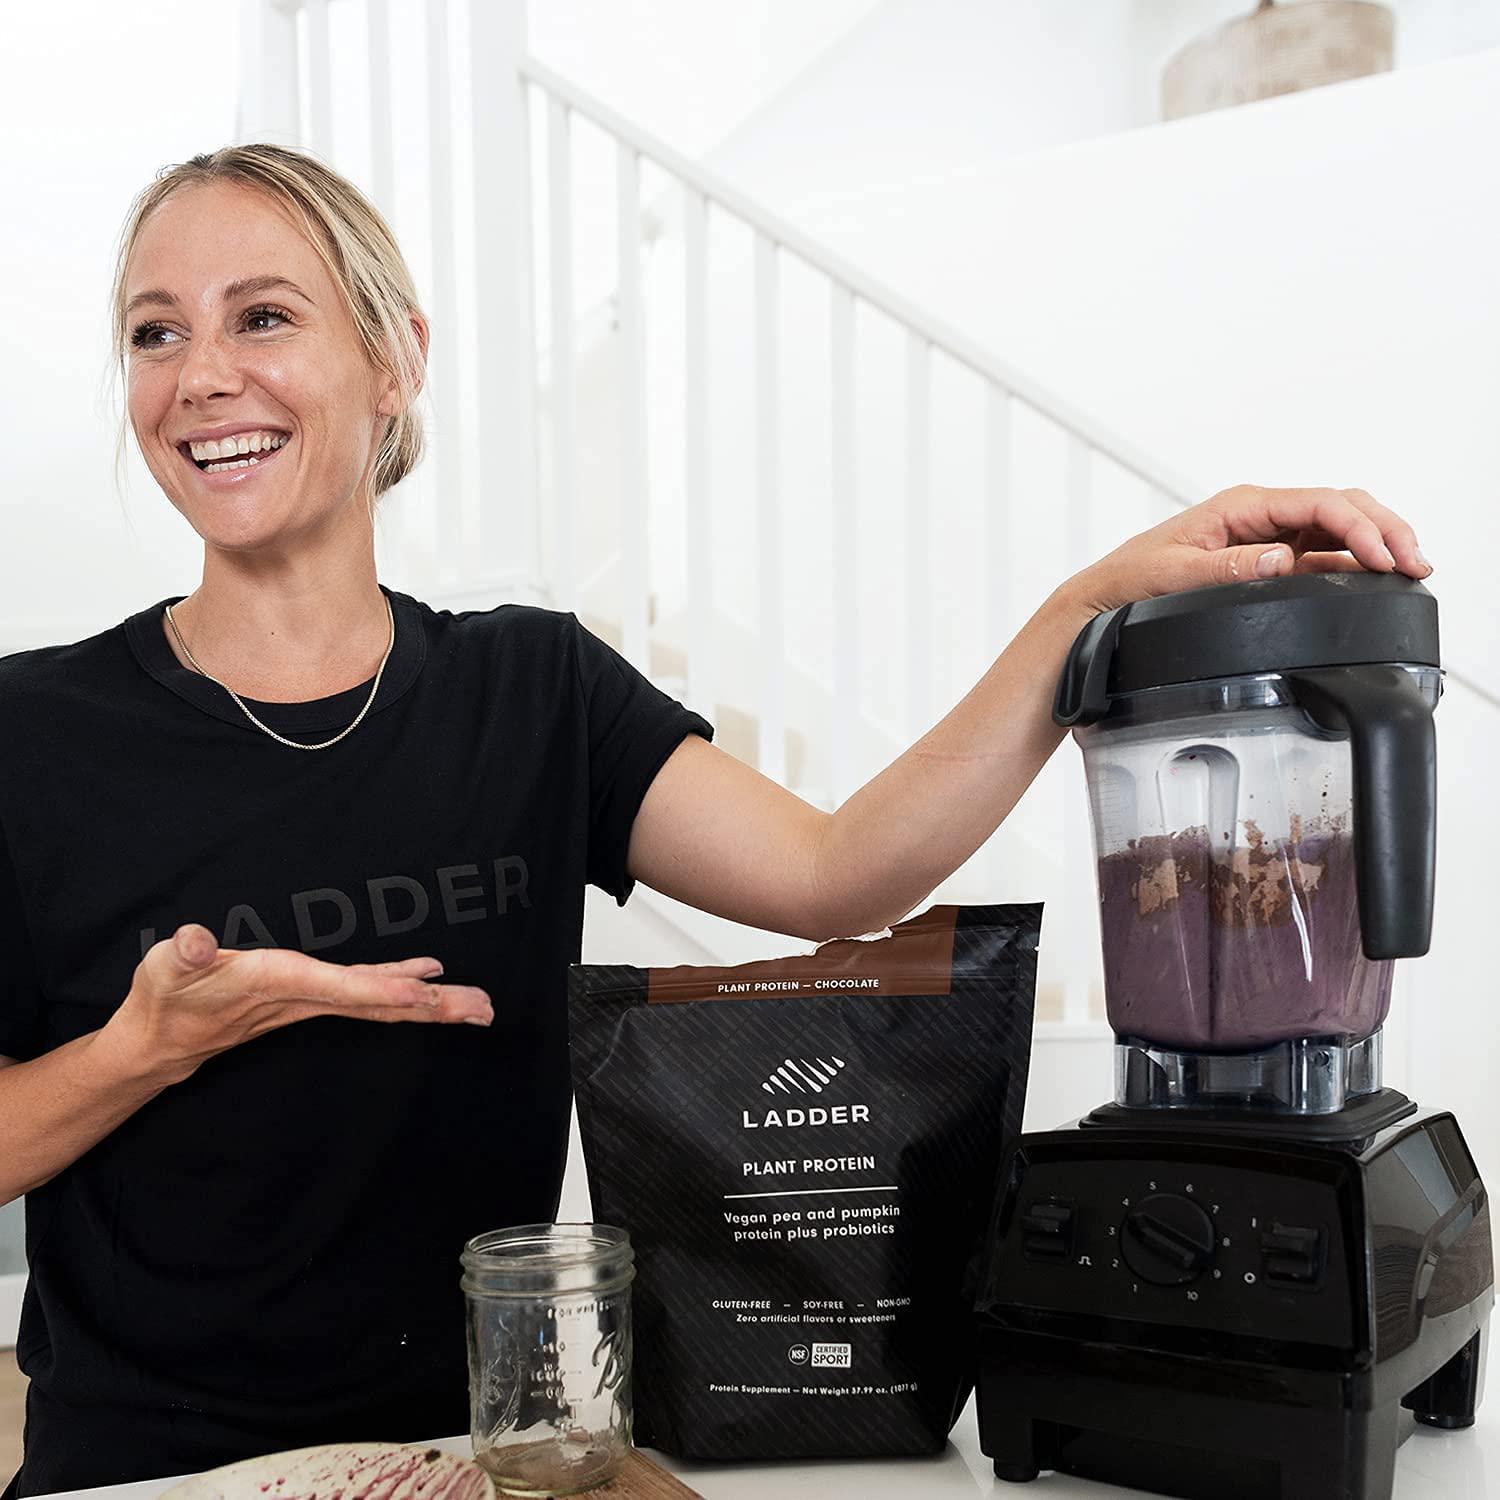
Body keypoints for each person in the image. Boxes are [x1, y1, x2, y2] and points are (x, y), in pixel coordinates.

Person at [0, 143, 1431, 1496]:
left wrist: (1085, 610)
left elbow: (837, 872)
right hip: (142, 1465)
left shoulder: (534, 690)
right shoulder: (34, 734)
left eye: (261, 316)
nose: (202, 376)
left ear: (396, 360)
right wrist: (149, 1047)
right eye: (155, 333)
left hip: (483, 1451)